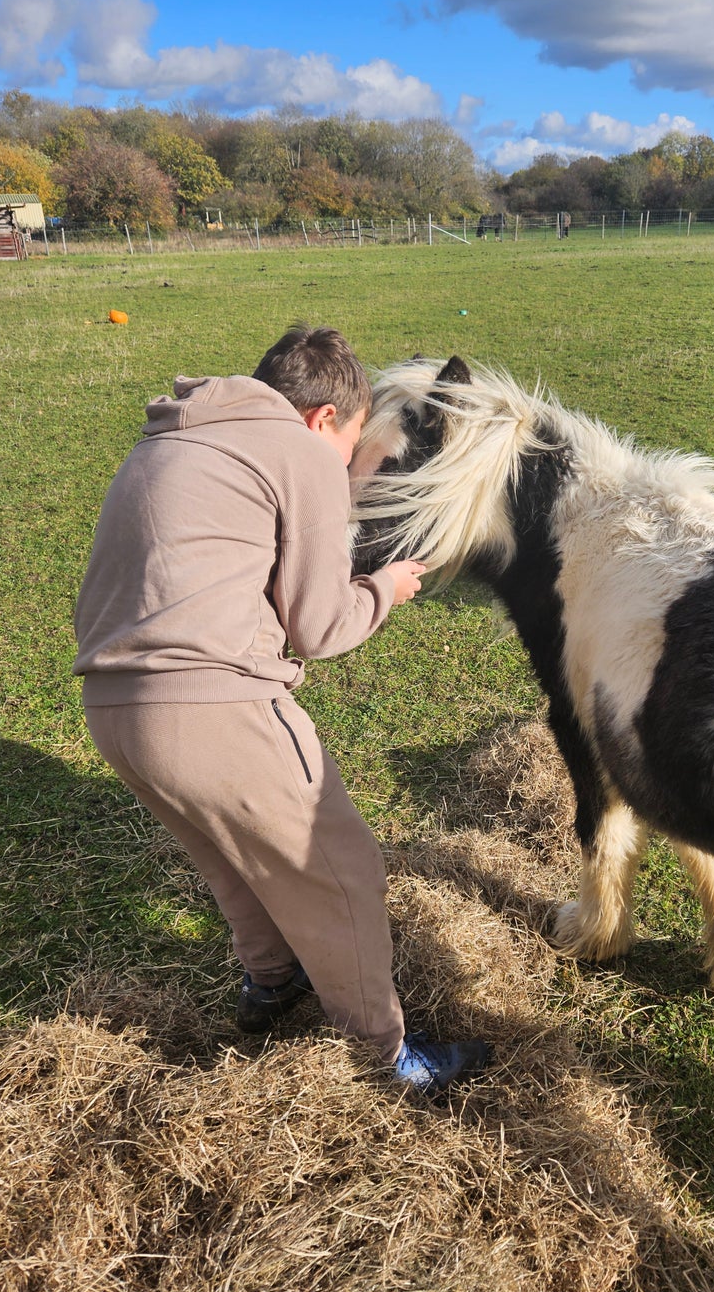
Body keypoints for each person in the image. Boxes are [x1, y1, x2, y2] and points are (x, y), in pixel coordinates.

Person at [73, 324, 492, 1095]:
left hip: (113, 706)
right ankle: (386, 1056)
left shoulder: (173, 439)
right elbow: (321, 626)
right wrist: (386, 589)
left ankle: (273, 981)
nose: (347, 468)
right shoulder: (297, 451)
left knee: (227, 853)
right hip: (210, 702)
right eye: (353, 444)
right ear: (322, 419)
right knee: (340, 870)